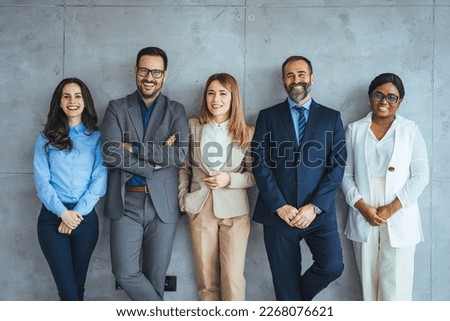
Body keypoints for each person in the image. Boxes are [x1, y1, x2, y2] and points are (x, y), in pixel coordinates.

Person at [251, 56, 347, 301]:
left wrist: (313, 207)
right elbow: (260, 163)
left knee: (332, 266)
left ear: (311, 77)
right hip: (278, 214)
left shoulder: (331, 118)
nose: (296, 80)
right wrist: (279, 206)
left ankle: (295, 300)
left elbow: (336, 167)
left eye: (301, 74)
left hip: (317, 213)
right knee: (284, 287)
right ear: (283, 80)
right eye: (290, 75)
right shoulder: (268, 116)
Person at [101, 46, 189, 301]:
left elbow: (179, 155)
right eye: (144, 70)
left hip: (163, 207)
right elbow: (110, 153)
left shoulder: (176, 110)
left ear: (165, 75)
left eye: (156, 72)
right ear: (135, 71)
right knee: (125, 272)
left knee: (155, 278)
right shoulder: (116, 108)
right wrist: (152, 165)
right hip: (125, 202)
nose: (149, 77)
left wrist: (134, 147)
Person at [341, 73, 429, 301]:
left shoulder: (411, 130)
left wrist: (392, 208)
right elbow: (344, 174)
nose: (384, 102)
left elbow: (421, 176)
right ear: (370, 97)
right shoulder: (354, 130)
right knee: (369, 287)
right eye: (378, 95)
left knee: (396, 288)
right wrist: (361, 206)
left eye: (392, 97)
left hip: (399, 209)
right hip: (364, 208)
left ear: (400, 101)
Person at [178, 73, 255, 300]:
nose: (216, 99)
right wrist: (184, 199)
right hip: (200, 209)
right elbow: (183, 168)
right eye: (211, 93)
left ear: (233, 98)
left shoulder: (247, 132)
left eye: (223, 93)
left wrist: (229, 179)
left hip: (236, 213)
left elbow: (254, 175)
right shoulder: (192, 126)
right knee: (206, 283)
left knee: (232, 279)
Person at [34, 78, 107, 300]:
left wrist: (75, 215)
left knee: (78, 288)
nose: (72, 101)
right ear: (59, 102)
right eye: (66, 96)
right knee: (67, 291)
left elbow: (99, 180)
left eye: (77, 96)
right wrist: (63, 214)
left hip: (84, 219)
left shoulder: (97, 138)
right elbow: (42, 182)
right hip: (52, 219)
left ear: (85, 102)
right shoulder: (45, 139)